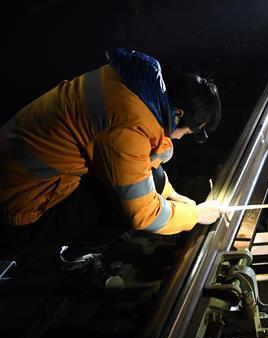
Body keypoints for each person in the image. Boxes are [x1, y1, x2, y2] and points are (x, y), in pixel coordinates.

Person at [0, 48, 224, 278]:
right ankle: (75, 261)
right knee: (124, 206)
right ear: (178, 113)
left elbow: (138, 163)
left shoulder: (127, 86)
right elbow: (144, 214)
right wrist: (195, 216)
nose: (180, 137)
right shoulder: (129, 127)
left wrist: (172, 195)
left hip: (17, 175)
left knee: (154, 182)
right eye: (187, 132)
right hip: (17, 210)